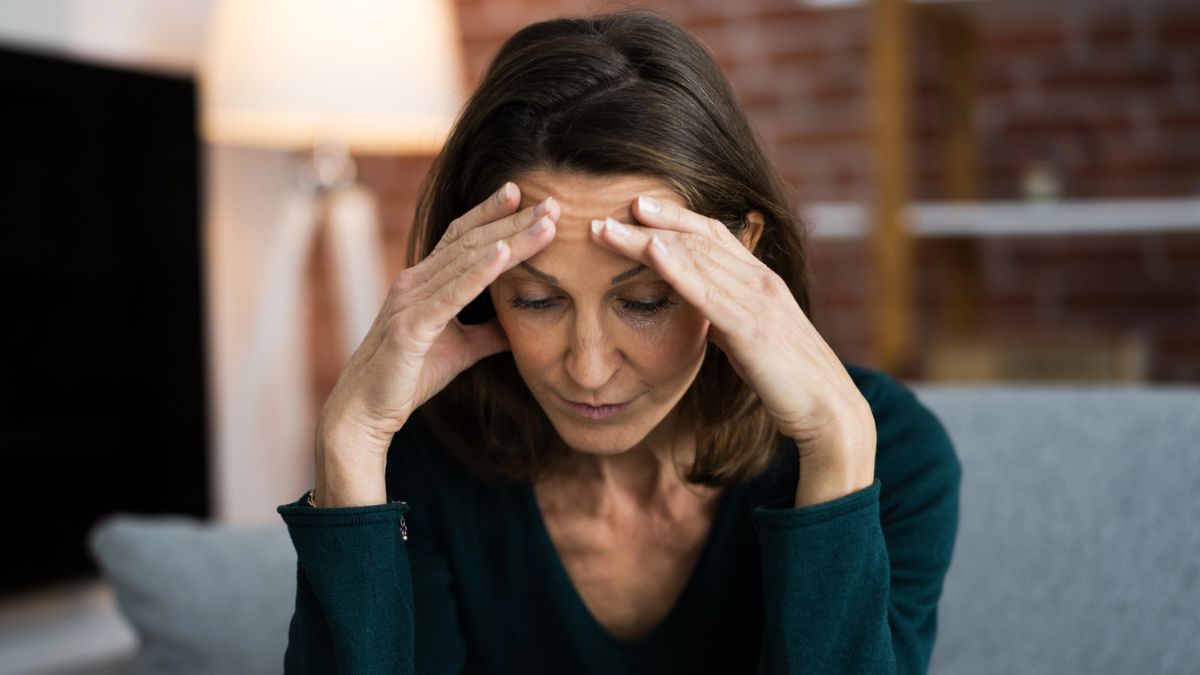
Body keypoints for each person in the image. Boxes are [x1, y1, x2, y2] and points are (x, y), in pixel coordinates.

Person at [276, 8, 961, 674]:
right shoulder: (421, 464)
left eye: (644, 301)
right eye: (537, 299)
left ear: (740, 257)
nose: (590, 368)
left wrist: (836, 449)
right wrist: (353, 438)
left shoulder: (892, 454)